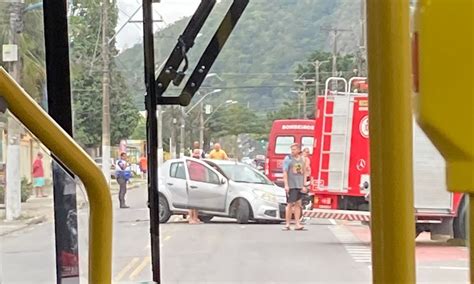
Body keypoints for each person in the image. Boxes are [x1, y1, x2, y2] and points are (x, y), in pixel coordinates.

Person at [282, 143, 308, 231]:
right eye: (292, 149)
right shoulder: (288, 159)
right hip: (291, 185)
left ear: (298, 150)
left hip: (299, 185)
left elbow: (304, 172)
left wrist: (304, 185)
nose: (292, 151)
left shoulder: (303, 159)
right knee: (289, 204)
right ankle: (287, 224)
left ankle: (297, 223)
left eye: (294, 149)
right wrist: (286, 185)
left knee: (298, 204)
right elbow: (285, 172)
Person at [186, 149, 206, 224]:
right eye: (195, 155)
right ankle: (191, 218)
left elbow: (203, 173)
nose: (196, 157)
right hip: (192, 184)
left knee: (197, 203)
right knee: (192, 203)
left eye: (197, 155)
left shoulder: (201, 163)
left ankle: (195, 218)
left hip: (199, 184)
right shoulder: (190, 163)